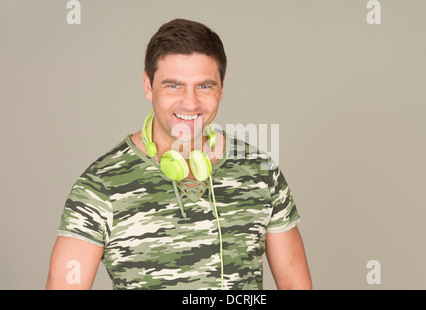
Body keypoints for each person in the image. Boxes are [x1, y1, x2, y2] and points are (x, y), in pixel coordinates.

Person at [46, 18, 312, 290]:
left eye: (204, 86)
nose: (190, 102)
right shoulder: (99, 186)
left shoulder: (261, 172)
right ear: (148, 86)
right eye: (173, 85)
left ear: (221, 88)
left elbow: (295, 284)